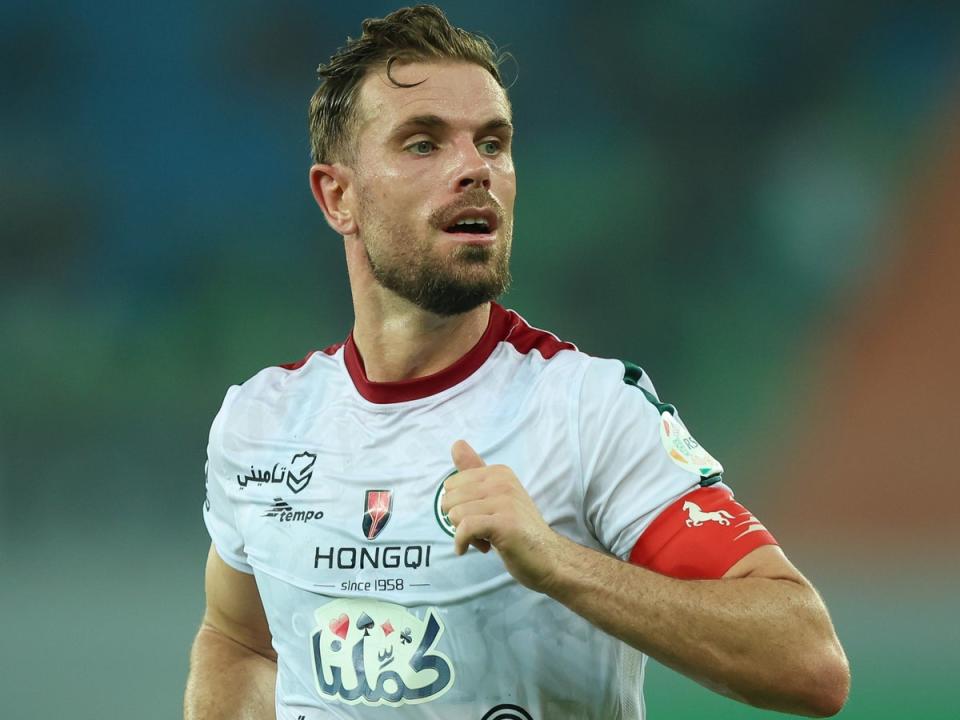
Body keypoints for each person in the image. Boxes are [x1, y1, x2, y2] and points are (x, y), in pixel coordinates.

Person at [183, 6, 849, 719]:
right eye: (422, 143)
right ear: (338, 196)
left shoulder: (586, 409)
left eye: (493, 143)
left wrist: (557, 562)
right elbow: (240, 639)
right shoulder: (260, 422)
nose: (475, 168)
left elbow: (808, 662)